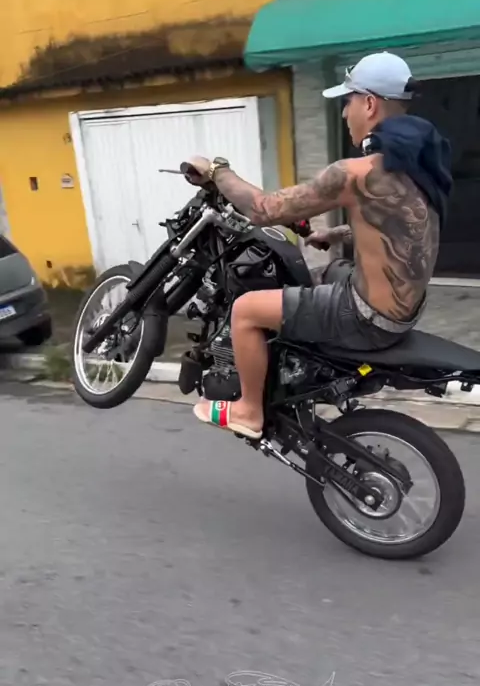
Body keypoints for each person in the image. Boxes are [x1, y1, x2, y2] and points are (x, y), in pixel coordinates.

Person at [186, 51, 452, 440]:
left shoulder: (354, 173)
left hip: (366, 316)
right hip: (403, 310)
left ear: (370, 104)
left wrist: (216, 170)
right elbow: (405, 228)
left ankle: (249, 410)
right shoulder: (420, 165)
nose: (344, 113)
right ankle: (291, 375)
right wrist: (339, 233)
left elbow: (264, 209)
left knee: (245, 310)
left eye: (348, 101)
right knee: (305, 275)